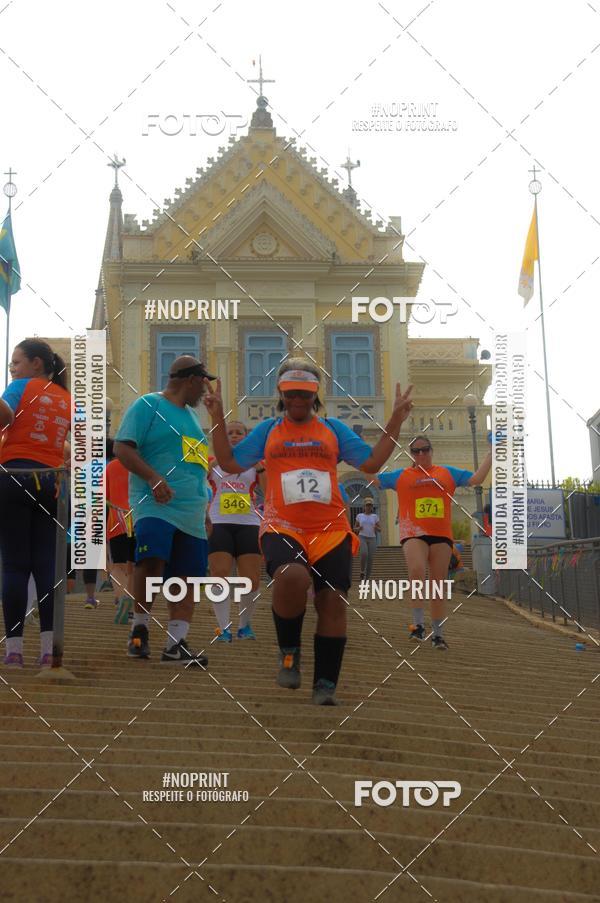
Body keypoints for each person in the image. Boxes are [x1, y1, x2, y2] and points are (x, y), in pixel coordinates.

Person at [203, 357, 413, 705]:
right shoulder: (269, 430)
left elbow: (372, 463)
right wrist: (217, 417)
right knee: (291, 577)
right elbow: (228, 462)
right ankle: (289, 652)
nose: (297, 400)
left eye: (304, 393)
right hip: (282, 525)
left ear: (315, 395)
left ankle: (325, 683)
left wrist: (395, 419)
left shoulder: (332, 429)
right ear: (281, 394)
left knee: (333, 601)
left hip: (330, 528)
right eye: (290, 393)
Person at [114, 356, 215, 665]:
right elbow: (122, 447)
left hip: (192, 512)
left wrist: (206, 507)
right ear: (192, 380)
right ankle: (139, 630)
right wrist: (153, 477)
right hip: (154, 504)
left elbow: (196, 467)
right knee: (152, 560)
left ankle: (176, 643)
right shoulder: (148, 405)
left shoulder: (193, 420)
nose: (205, 391)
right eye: (204, 383)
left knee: (187, 577)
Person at [377, 434, 491, 651]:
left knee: (437, 585)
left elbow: (477, 479)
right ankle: (418, 625)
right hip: (413, 533)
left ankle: (438, 635)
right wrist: (363, 457)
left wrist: (491, 454)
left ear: (431, 450)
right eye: (416, 451)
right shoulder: (402, 475)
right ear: (411, 454)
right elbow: (373, 479)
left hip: (441, 535)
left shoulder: (446, 472)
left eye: (425, 449)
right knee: (417, 570)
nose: (421, 454)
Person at [0, 339, 70, 667]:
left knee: (15, 565)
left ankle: (14, 649)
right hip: (52, 483)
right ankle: (47, 650)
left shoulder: (19, 387)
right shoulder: (67, 398)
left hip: (15, 475)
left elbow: (4, 416)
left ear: (37, 363)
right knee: (46, 566)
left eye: (16, 362)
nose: (12, 368)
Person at [207, 421, 265, 642]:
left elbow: (269, 493)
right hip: (218, 522)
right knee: (219, 575)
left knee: (250, 579)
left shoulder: (255, 464)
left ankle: (244, 625)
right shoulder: (212, 463)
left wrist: (261, 467)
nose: (233, 436)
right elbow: (195, 485)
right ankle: (224, 628)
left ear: (246, 437)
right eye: (229, 433)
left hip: (249, 523)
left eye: (239, 432)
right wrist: (207, 469)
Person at [105, 438, 136, 624]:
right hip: (137, 517)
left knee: (117, 566)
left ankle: (120, 599)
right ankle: (130, 604)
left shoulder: (110, 467)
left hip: (116, 519)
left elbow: (105, 497)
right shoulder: (140, 465)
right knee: (133, 565)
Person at [354, 497, 380, 579]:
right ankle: (362, 571)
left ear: (372, 507)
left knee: (371, 558)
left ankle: (367, 577)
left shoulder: (375, 516)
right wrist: (358, 529)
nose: (368, 507)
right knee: (364, 553)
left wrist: (376, 528)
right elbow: (354, 528)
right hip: (362, 537)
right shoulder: (359, 516)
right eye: (367, 505)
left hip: (372, 538)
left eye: (370, 505)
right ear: (364, 506)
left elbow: (380, 529)